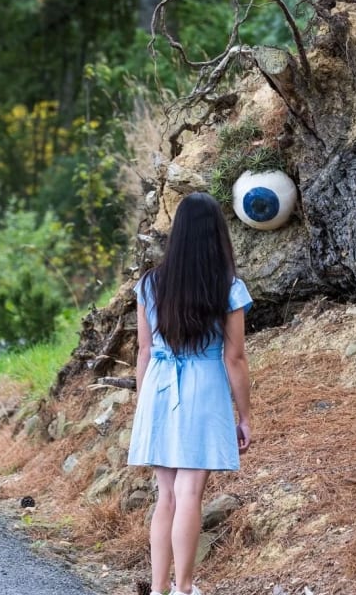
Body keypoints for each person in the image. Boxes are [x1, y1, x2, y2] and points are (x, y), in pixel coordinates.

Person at [128, 192, 253, 595]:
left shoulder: (149, 284)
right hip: (203, 386)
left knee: (165, 494)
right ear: (217, 235)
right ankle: (184, 589)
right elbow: (234, 358)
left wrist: (141, 403)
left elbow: (144, 351)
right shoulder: (228, 288)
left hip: (159, 386)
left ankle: (158, 589)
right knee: (189, 492)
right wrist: (245, 415)